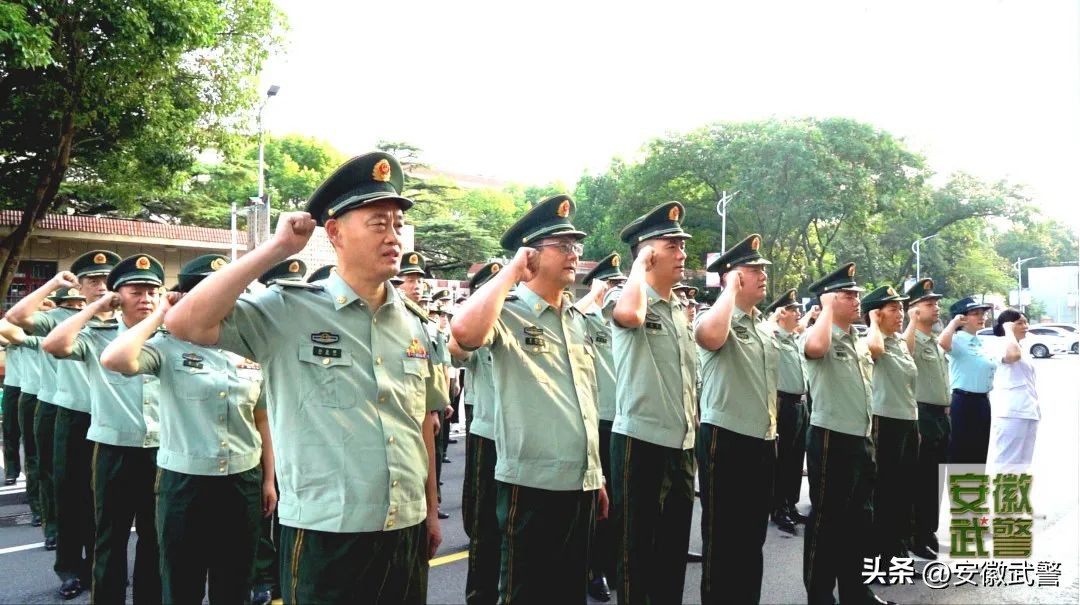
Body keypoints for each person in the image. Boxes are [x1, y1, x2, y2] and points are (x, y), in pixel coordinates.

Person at [165, 152, 447, 604]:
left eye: (397, 224)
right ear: (334, 231)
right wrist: (277, 249)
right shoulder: (288, 309)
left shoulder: (416, 324)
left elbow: (423, 427)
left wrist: (431, 511)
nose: (393, 236)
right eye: (378, 223)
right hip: (324, 533)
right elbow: (185, 324)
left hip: (405, 527)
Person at [451, 194, 607, 604]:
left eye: (577, 246)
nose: (575, 255)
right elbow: (463, 335)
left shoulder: (575, 318)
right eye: (564, 246)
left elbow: (586, 399)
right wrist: (507, 275)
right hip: (531, 483)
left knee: (568, 592)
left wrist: (596, 473)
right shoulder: (508, 310)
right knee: (525, 593)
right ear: (531, 257)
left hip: (581, 482)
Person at [100, 254, 277, 604]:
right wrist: (160, 314)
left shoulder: (249, 349)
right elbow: (115, 359)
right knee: (183, 581)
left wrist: (268, 479)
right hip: (184, 483)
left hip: (243, 481)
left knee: (235, 580)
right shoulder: (166, 346)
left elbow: (261, 418)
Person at [42, 254, 164, 604]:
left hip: (160, 453)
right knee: (109, 538)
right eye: (136, 291)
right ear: (116, 296)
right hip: (113, 452)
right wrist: (93, 309)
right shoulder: (98, 335)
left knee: (154, 540)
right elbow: (54, 345)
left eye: (153, 291)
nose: (146, 299)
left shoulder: (168, 336)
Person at [5, 250, 119, 599]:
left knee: (109, 502)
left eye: (106, 279)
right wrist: (55, 281)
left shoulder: (131, 320)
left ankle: (105, 568)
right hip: (73, 416)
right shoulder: (59, 319)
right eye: (92, 281)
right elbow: (17, 316)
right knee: (71, 496)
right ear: (81, 287)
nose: (100, 286)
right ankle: (71, 568)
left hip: (114, 420)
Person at [608, 202, 698, 604]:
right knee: (636, 553)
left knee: (672, 553)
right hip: (640, 443)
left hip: (681, 446)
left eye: (683, 245)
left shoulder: (679, 308)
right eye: (672, 244)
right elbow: (629, 313)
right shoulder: (627, 296)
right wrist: (638, 269)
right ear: (647, 252)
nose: (682, 253)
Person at [800, 262, 895, 605]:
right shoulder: (817, 335)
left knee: (859, 521)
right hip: (830, 437)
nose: (857, 300)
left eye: (856, 293)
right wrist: (825, 309)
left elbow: (877, 350)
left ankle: (857, 591)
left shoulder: (857, 338)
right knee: (827, 522)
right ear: (828, 300)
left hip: (860, 437)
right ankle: (820, 595)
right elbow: (814, 349)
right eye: (848, 294)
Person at [695, 234, 778, 604]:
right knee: (723, 540)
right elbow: (711, 337)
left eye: (763, 269)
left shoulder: (764, 325)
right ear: (732, 276)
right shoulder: (712, 317)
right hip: (726, 439)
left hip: (762, 441)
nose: (762, 275)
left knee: (752, 538)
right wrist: (728, 290)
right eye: (753, 269)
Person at [448, 261, 503, 605]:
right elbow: (456, 349)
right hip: (489, 432)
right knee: (486, 526)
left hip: (523, 435)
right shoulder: (480, 327)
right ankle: (480, 595)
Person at [575, 252, 625, 602]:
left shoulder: (628, 321)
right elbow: (567, 319)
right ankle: (594, 571)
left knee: (620, 504)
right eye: (612, 284)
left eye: (620, 284)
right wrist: (594, 295)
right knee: (598, 506)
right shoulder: (588, 319)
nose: (617, 291)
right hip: (599, 421)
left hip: (626, 423)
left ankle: (613, 564)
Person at [862, 285, 918, 565]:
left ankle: (896, 547)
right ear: (876, 313)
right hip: (885, 421)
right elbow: (873, 350)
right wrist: (872, 321)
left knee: (903, 488)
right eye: (893, 309)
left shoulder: (897, 342)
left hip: (908, 421)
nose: (901, 314)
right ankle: (878, 553)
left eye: (902, 308)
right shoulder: (873, 340)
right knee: (883, 489)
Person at [902, 278, 950, 560]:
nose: (936, 307)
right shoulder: (911, 339)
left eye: (936, 303)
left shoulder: (933, 339)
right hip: (922, 414)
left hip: (942, 416)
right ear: (914, 309)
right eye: (929, 303)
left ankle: (928, 530)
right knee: (920, 479)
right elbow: (905, 355)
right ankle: (914, 534)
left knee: (935, 478)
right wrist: (910, 322)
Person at [764, 288, 809, 535]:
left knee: (795, 458)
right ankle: (778, 507)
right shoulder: (773, 334)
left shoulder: (792, 338)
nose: (798, 314)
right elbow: (765, 329)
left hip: (800, 403)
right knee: (782, 459)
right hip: (783, 402)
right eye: (793, 310)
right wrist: (772, 319)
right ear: (781, 313)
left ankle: (790, 503)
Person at [938, 296, 996, 464]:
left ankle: (974, 490)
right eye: (975, 313)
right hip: (963, 402)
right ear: (962, 318)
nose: (981, 317)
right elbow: (942, 343)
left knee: (979, 452)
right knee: (961, 452)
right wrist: (953, 323)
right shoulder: (957, 340)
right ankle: (960, 490)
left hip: (982, 402)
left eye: (983, 313)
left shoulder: (980, 342)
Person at [986, 309, 1040, 466]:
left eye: (1025, 322)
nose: (1025, 326)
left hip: (1028, 410)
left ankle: (1015, 491)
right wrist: (1008, 331)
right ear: (1007, 326)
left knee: (1023, 462)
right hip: (1011, 412)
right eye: (1020, 323)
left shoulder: (1019, 346)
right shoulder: (1000, 344)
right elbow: (1012, 357)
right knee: (1007, 460)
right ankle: (1000, 491)